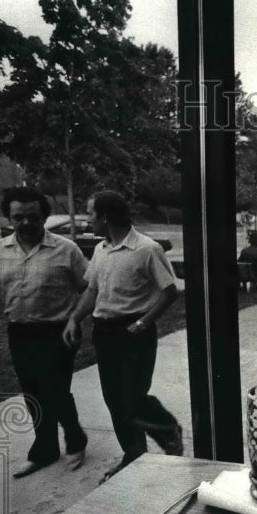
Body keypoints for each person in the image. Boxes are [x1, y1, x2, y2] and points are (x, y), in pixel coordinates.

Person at [62, 191, 183, 481]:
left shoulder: (146, 249)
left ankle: (167, 429)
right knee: (114, 400)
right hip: (105, 332)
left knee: (132, 398)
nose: (87, 219)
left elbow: (170, 292)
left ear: (105, 216)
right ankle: (134, 455)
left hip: (134, 332)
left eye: (90, 213)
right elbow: (92, 289)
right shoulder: (102, 249)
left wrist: (143, 322)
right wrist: (74, 318)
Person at [0, 187, 89, 478]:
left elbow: (89, 288)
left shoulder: (66, 249)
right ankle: (47, 450)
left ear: (44, 217)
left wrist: (77, 319)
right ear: (8, 217)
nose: (25, 223)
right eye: (18, 217)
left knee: (55, 389)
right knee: (33, 393)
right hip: (20, 332)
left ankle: (74, 440)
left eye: (33, 217)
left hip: (59, 331)